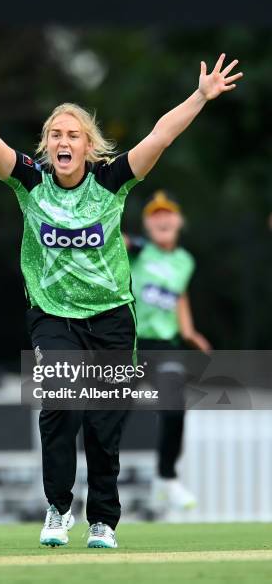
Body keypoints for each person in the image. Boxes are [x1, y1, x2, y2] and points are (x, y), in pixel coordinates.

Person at [0, 46, 242, 548]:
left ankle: (103, 521)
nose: (63, 141)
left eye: (73, 135)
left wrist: (200, 96)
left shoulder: (111, 182)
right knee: (60, 403)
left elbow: (161, 134)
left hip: (112, 317)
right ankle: (57, 508)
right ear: (46, 146)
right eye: (56, 135)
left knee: (104, 423)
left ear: (89, 148)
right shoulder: (30, 181)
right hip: (53, 316)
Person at [127, 190, 211, 516]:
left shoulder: (184, 261)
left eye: (168, 213)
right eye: (155, 214)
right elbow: (111, 240)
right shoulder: (139, 250)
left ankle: (166, 478)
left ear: (178, 220)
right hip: (130, 345)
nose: (162, 218)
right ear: (148, 223)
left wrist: (189, 332)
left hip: (165, 345)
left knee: (174, 408)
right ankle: (97, 480)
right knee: (111, 415)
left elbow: (179, 296)